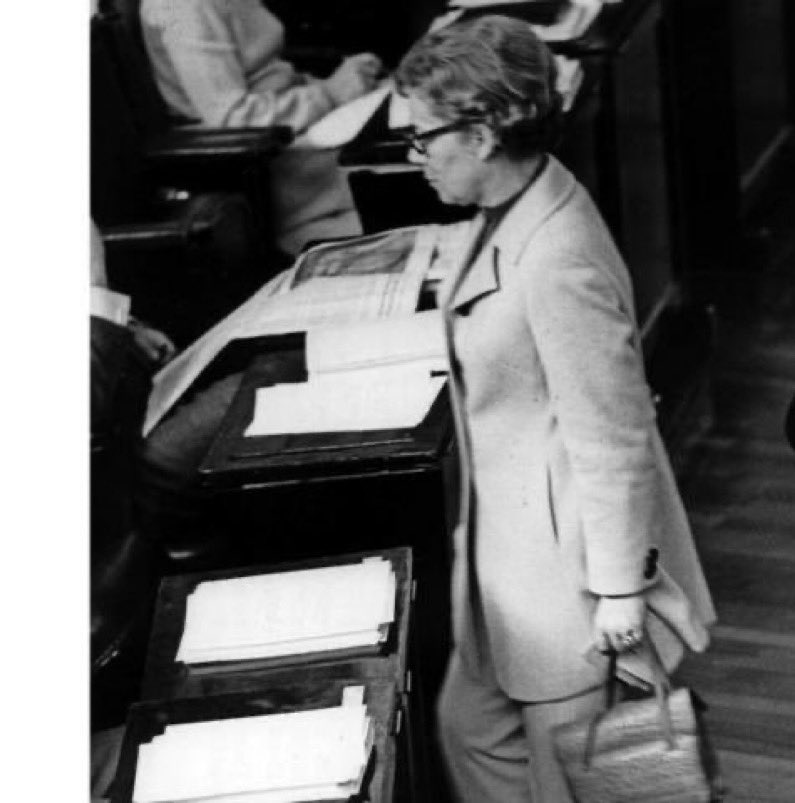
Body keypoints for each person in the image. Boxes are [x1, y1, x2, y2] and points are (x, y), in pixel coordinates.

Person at [394, 16, 717, 803]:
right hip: (500, 559)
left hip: (563, 578)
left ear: (478, 132)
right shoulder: (512, 207)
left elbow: (613, 433)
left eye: (421, 138)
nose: (414, 156)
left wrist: (616, 588)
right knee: (469, 732)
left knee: (575, 777)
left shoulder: (558, 252)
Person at [140, 0, 383, 254]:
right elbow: (232, 117)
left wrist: (337, 85)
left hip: (295, 125)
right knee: (399, 162)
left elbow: (265, 78)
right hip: (263, 157)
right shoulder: (185, 6)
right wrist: (329, 93)